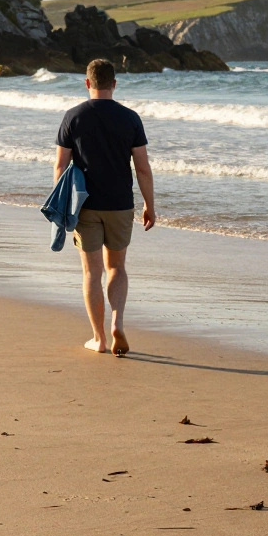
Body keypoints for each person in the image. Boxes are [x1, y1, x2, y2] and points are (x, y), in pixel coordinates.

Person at [54, 59, 155, 356]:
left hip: (85, 206)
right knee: (117, 267)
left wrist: (63, 207)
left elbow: (61, 166)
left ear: (87, 83)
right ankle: (117, 322)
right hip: (121, 205)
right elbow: (143, 168)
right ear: (114, 84)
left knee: (91, 272)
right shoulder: (130, 118)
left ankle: (98, 339)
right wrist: (150, 205)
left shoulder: (73, 117)